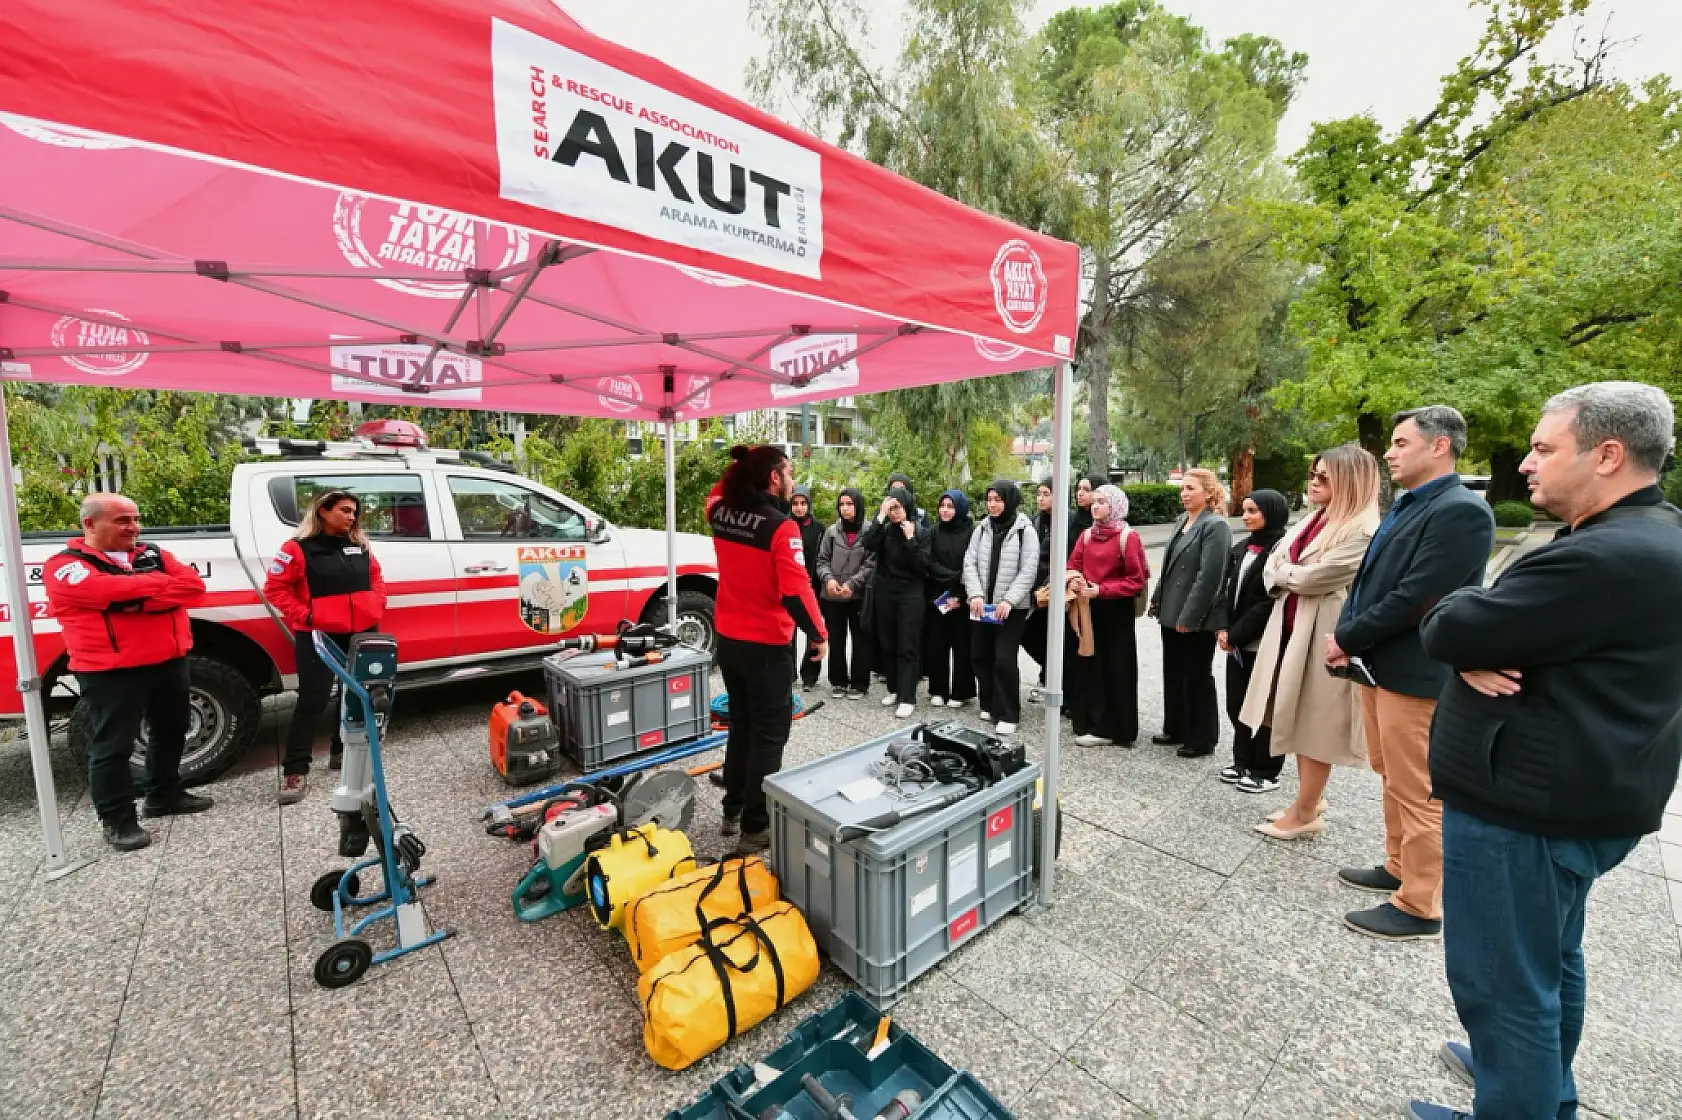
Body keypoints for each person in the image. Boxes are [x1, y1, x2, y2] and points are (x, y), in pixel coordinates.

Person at [1404, 382, 1682, 1120]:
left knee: (1504, 987)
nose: (1526, 463)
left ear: (1609, 455)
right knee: (1550, 960)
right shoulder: (1656, 536)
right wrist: (1476, 623)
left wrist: (1465, 625)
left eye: (1543, 447)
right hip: (1583, 795)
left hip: (1525, 810)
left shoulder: (1604, 557)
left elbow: (1450, 622)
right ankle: (1536, 1090)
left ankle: (1514, 1089)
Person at [1328, 405, 1496, 941]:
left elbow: (1417, 597)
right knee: (1391, 774)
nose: (1390, 453)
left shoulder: (1460, 511)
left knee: (1419, 787)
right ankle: (1398, 864)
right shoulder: (1409, 504)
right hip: (1382, 666)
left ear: (1439, 446)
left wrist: (1347, 636)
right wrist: (1347, 631)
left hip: (1416, 670)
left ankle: (1421, 903)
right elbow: (1370, 582)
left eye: (1402, 443)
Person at [42, 493, 212, 851]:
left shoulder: (153, 553)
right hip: (110, 670)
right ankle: (117, 821)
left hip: (168, 659)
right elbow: (100, 589)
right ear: (89, 523)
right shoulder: (64, 565)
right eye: (122, 520)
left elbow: (194, 587)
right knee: (113, 747)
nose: (133, 527)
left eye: (135, 519)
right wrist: (159, 587)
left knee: (172, 730)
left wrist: (129, 600)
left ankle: (163, 796)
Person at [1242, 449, 1381, 838]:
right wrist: (1289, 573)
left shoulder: (1362, 528)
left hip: (1323, 634)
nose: (1314, 481)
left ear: (1350, 481)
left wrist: (1287, 573)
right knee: (1299, 718)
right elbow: (1276, 563)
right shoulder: (1317, 518)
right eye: (1313, 474)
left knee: (1317, 724)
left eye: (1324, 476)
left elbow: (1315, 578)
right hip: (1292, 629)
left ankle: (1305, 814)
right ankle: (1307, 800)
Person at [706, 446, 827, 855]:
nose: (792, 479)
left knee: (741, 725)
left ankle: (733, 809)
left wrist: (744, 461)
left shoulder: (720, 511)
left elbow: (718, 488)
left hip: (730, 642)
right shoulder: (781, 527)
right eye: (788, 471)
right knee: (769, 735)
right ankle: (756, 828)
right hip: (766, 647)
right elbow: (795, 589)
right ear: (774, 478)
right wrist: (819, 633)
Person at [263, 489, 387, 805]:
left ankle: (340, 751)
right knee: (312, 700)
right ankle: (295, 770)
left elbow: (377, 580)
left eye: (354, 512)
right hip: (318, 635)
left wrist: (375, 606)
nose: (351, 516)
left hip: (361, 632)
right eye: (345, 510)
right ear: (323, 511)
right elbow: (275, 589)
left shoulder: (359, 546)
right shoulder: (296, 549)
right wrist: (306, 615)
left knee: (354, 696)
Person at [1148, 468, 1232, 758]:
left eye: (1190, 488)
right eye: (1182, 488)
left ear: (1208, 493)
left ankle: (1202, 737)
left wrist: (1189, 616)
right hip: (1171, 609)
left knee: (1196, 675)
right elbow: (1169, 565)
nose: (1184, 494)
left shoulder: (1215, 526)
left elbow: (1209, 577)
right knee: (1173, 671)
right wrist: (1157, 599)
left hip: (1194, 615)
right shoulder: (1182, 520)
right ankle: (1176, 727)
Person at [1215, 489, 1291, 792]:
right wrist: (1222, 628)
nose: (1246, 517)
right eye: (1244, 511)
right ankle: (1242, 761)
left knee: (1265, 705)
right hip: (1235, 641)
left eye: (1253, 511)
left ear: (1271, 513)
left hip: (1263, 641)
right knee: (1238, 702)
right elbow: (1224, 590)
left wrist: (1235, 634)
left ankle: (1266, 769)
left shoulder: (1283, 549)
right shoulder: (1242, 546)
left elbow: (1268, 600)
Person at [1067, 484, 1148, 747]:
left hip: (1116, 610)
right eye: (1094, 501)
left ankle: (1118, 729)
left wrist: (1101, 589)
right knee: (1091, 665)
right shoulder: (1087, 535)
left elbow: (1136, 580)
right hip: (1090, 608)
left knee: (1117, 668)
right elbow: (1073, 564)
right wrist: (1076, 580)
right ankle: (1093, 723)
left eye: (1102, 501)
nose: (1095, 505)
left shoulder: (1128, 537)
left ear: (1115, 506)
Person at [962, 480, 1040, 735]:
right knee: (979, 655)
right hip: (982, 606)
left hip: (1011, 609)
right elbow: (969, 562)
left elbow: (1029, 570)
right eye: (990, 499)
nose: (993, 505)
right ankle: (989, 702)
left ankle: (1008, 713)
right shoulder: (982, 529)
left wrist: (1009, 600)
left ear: (1009, 501)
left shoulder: (1024, 530)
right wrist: (974, 593)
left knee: (1004, 659)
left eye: (998, 499)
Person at [860, 485, 929, 718]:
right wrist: (879, 516)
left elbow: (921, 565)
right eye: (891, 508)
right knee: (887, 643)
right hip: (885, 590)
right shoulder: (885, 531)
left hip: (910, 592)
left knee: (907, 645)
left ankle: (908, 696)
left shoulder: (920, 531)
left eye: (897, 508)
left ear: (907, 507)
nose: (894, 512)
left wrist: (910, 539)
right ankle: (894, 688)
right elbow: (867, 543)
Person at [815, 488, 875, 699]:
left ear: (858, 505)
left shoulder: (869, 531)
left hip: (857, 596)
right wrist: (829, 580)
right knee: (836, 639)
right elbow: (821, 561)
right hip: (832, 595)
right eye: (842, 504)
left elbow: (871, 563)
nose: (845, 508)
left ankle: (859, 684)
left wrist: (852, 583)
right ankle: (838, 681)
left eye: (849, 504)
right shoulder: (832, 532)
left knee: (860, 640)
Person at [924, 489, 976, 709]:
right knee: (937, 644)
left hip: (964, 598)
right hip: (939, 596)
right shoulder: (933, 532)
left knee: (963, 645)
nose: (945, 510)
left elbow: (973, 565)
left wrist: (962, 596)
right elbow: (929, 563)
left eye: (950, 506)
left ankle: (961, 691)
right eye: (942, 506)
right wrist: (955, 578)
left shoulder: (972, 532)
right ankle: (938, 689)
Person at [788, 485, 827, 692]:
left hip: (812, 586)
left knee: (813, 630)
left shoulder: (819, 529)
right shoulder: (784, 525)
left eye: (803, 503)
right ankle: (788, 674)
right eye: (795, 504)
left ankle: (810, 676)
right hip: (789, 588)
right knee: (787, 632)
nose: (799, 508)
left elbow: (823, 559)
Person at [1021, 481, 1054, 702]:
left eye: (1046, 494)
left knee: (1052, 636)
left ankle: (1050, 680)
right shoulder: (1034, 522)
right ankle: (1047, 672)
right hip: (1035, 589)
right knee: (1028, 633)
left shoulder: (1067, 521)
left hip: (1055, 588)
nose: (1041, 498)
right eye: (1038, 494)